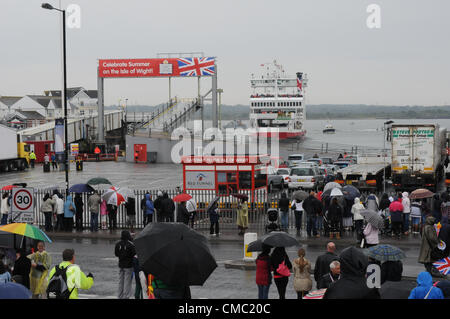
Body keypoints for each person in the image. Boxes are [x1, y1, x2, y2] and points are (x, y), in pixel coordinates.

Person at [115, 230, 136, 299]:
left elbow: (116, 254)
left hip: (121, 264)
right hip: (129, 266)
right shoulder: (130, 244)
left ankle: (120, 296)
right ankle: (126, 296)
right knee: (127, 282)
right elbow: (134, 254)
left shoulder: (118, 244)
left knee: (120, 282)